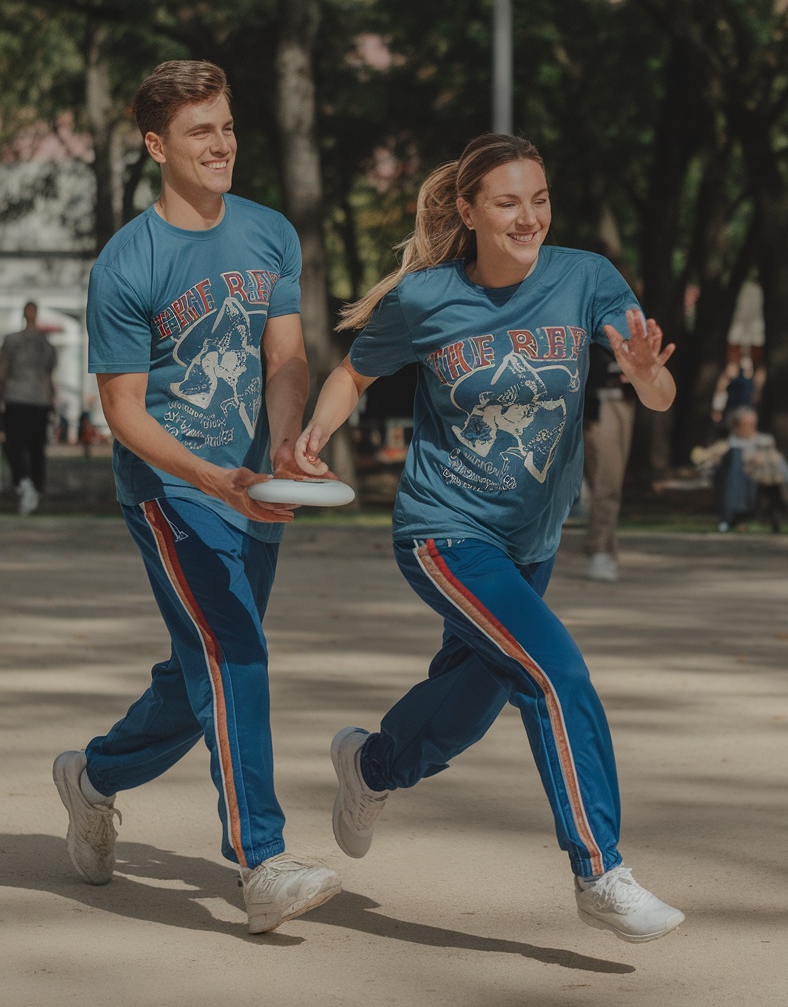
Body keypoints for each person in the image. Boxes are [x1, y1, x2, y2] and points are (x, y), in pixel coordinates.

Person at [295, 133, 685, 944]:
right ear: (469, 212)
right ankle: (600, 869)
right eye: (508, 202)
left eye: (539, 199)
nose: (529, 217)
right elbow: (353, 373)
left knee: (472, 706)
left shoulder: (586, 279)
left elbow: (655, 392)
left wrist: (648, 371)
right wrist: (313, 437)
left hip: (531, 540)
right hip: (445, 533)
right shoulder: (426, 299)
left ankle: (372, 766)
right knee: (553, 671)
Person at [51, 60, 340, 934]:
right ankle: (262, 859)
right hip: (172, 493)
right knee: (236, 651)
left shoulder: (269, 233)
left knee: (199, 672)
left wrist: (285, 444)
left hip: (253, 486)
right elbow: (122, 412)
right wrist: (216, 479)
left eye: (225, 126)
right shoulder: (126, 264)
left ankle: (93, 777)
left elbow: (284, 358)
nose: (222, 145)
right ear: (155, 145)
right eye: (199, 132)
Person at [692, 406, 788, 533]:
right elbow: (707, 461)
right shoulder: (727, 445)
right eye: (746, 425)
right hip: (738, 480)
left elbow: (778, 461)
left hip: (762, 478)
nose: (750, 428)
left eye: (752, 424)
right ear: (736, 426)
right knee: (766, 474)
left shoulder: (764, 441)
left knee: (772, 464)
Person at [582, 343, 636, 582]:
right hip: (585, 400)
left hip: (615, 400)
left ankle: (603, 550)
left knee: (608, 482)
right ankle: (601, 550)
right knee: (603, 481)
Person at [0, 301, 57, 514]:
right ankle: (33, 486)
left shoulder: (12, 341)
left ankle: (25, 484)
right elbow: (49, 374)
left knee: (14, 445)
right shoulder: (46, 345)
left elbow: (3, 371)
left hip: (18, 398)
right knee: (36, 447)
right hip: (39, 400)